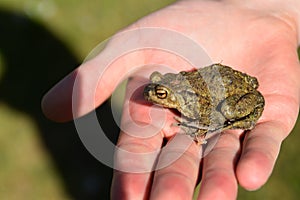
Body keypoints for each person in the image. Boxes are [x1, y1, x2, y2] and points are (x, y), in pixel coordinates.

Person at [42, 0, 300, 199]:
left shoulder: (189, 101)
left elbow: (211, 111)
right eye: (157, 85)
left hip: (234, 90)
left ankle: (245, 117)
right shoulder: (179, 87)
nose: (154, 94)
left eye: (161, 94)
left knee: (228, 109)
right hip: (224, 76)